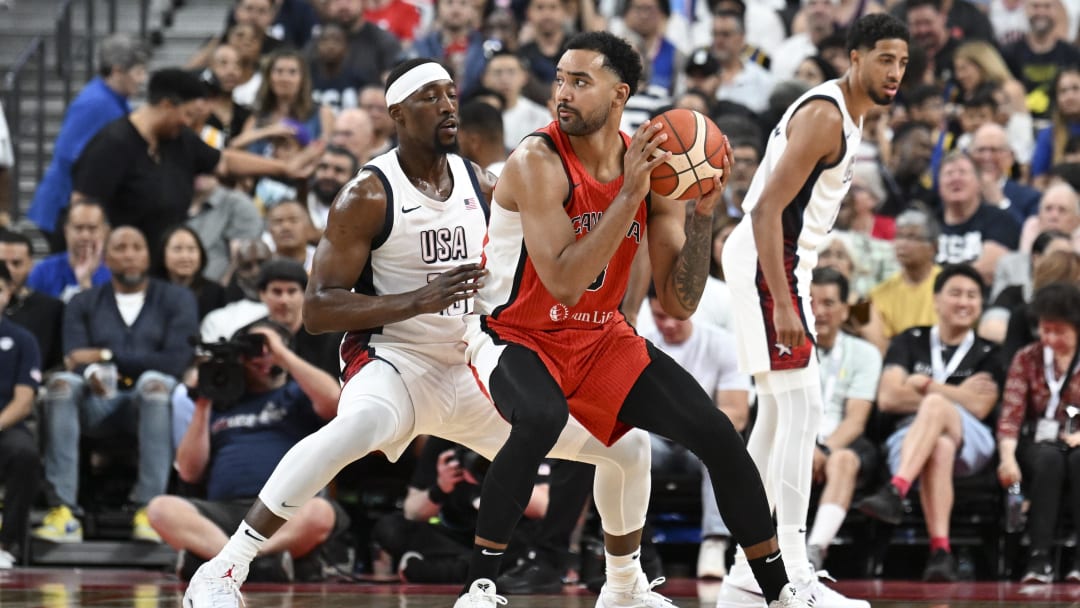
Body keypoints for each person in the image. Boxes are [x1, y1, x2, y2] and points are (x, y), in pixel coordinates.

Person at [181, 58, 676, 608]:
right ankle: (224, 569)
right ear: (396, 111)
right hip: (396, 362)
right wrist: (416, 300)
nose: (447, 106)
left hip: (473, 364)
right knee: (357, 427)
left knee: (626, 445)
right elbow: (316, 311)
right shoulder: (367, 194)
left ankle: (625, 586)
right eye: (429, 97)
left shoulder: (481, 180)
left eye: (450, 94)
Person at [462, 32, 804, 608]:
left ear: (619, 94)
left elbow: (680, 302)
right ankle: (479, 586)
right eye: (560, 79)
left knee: (717, 433)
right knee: (541, 418)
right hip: (515, 333)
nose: (561, 93)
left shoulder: (651, 169)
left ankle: (781, 593)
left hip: (600, 338)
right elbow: (566, 283)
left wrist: (700, 218)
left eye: (579, 81)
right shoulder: (536, 161)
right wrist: (629, 195)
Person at [716, 14, 909, 608]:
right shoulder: (825, 116)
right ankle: (793, 569)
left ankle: (748, 563)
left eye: (902, 62)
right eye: (883, 59)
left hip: (781, 262)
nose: (895, 72)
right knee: (805, 409)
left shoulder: (847, 115)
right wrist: (781, 299)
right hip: (768, 259)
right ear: (853, 57)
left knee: (777, 417)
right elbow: (767, 209)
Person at [34, 226, 198, 543]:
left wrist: (107, 355)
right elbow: (77, 358)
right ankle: (64, 512)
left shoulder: (177, 299)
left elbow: (175, 362)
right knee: (62, 385)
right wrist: (91, 367)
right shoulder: (83, 301)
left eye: (137, 246)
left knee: (154, 383)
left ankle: (149, 510)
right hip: (97, 404)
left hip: (151, 405)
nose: (129, 254)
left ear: (149, 256)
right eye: (120, 248)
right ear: (106, 258)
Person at [148, 321, 344, 580]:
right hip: (223, 513)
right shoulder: (222, 403)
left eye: (267, 350)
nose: (261, 357)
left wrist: (281, 352)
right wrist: (204, 400)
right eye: (252, 350)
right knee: (160, 509)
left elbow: (334, 401)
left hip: (283, 509)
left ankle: (228, 563)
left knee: (321, 512)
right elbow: (188, 471)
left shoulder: (297, 394)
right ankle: (262, 564)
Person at [71, 68, 322, 256]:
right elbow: (82, 206)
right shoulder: (112, 144)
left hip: (167, 260)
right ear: (167, 105)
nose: (190, 123)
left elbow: (224, 162)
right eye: (188, 114)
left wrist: (284, 168)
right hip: (122, 262)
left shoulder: (180, 139)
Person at [856, 264, 1003, 582]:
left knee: (936, 406)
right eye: (955, 293)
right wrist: (958, 393)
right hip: (909, 436)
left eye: (972, 296)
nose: (964, 302)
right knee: (939, 444)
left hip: (973, 441)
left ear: (981, 304)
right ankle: (940, 552)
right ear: (936, 300)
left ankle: (896, 489)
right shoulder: (911, 339)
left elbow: (979, 406)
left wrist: (926, 385)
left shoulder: (989, 351)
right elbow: (888, 398)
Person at [638, 286, 751, 580]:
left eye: (675, 316)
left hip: (699, 440)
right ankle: (632, 545)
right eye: (659, 317)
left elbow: (737, 412)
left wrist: (689, 428)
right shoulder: (640, 344)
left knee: (727, 442)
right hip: (656, 440)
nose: (669, 325)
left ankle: (714, 541)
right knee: (622, 444)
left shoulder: (723, 344)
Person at [27, 33, 148, 250]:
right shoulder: (95, 102)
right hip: (66, 207)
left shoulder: (115, 101)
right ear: (117, 70)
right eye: (138, 71)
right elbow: (67, 154)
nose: (142, 79)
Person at [997, 282, 1080, 584]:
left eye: (1060, 331)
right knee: (1048, 459)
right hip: (1040, 443)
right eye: (1046, 330)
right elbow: (1011, 414)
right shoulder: (1027, 357)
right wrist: (1007, 458)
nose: (1051, 339)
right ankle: (1038, 557)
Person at [803, 268, 883, 570]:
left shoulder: (864, 353)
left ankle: (815, 549)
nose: (818, 311)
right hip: (796, 434)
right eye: (811, 302)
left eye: (828, 303)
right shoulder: (785, 347)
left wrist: (822, 450)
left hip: (843, 439)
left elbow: (856, 420)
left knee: (844, 461)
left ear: (845, 309)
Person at [0, 262, 43, 567]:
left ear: (9, 293)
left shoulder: (23, 339)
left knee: (24, 454)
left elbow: (24, 400)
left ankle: (7, 543)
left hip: (6, 423)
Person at [0, 229, 65, 371]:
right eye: (2, 263)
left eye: (16, 263)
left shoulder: (52, 309)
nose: (9, 270)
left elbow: (59, 362)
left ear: (31, 265)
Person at [26, 199, 111, 303]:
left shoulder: (116, 273)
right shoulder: (43, 272)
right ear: (66, 231)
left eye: (92, 228)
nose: (85, 236)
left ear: (105, 232)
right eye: (78, 228)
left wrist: (85, 283)